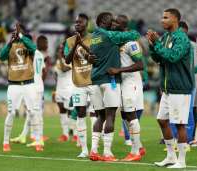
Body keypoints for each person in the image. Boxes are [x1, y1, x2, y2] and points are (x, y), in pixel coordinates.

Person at [88, 12, 140, 162]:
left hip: (95, 80)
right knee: (110, 116)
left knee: (100, 117)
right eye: (111, 19)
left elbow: (92, 57)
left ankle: (93, 151)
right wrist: (128, 29)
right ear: (104, 20)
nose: (113, 22)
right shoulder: (110, 35)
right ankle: (107, 153)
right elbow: (134, 34)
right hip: (109, 80)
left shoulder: (94, 38)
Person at [146, 9, 194, 168]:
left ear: (175, 19)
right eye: (162, 17)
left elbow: (173, 57)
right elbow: (159, 58)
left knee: (180, 124)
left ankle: (182, 161)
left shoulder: (182, 38)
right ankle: (171, 156)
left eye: (165, 17)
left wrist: (158, 44)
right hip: (168, 88)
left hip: (180, 87)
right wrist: (153, 45)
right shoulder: (166, 37)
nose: (162, 20)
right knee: (162, 120)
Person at [107, 14, 145, 161]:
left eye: (116, 22)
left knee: (130, 115)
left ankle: (134, 152)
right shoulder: (117, 41)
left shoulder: (131, 43)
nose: (113, 24)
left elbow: (140, 64)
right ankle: (139, 147)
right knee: (125, 116)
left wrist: (119, 71)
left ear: (124, 26)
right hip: (122, 83)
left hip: (131, 83)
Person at [0, 23, 42, 152]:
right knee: (11, 113)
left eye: (18, 31)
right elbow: (1, 57)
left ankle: (37, 141)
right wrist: (9, 42)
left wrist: (22, 36)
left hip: (29, 84)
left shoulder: (27, 42)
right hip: (14, 85)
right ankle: (6, 142)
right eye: (14, 31)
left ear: (22, 32)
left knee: (33, 112)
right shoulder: (10, 45)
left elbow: (34, 48)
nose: (15, 32)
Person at [64, 13, 97, 158]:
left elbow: (98, 58)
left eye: (80, 22)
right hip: (78, 83)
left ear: (87, 23)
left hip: (94, 82)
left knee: (97, 115)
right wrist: (76, 44)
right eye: (76, 22)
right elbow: (67, 60)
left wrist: (82, 44)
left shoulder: (94, 38)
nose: (77, 24)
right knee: (81, 115)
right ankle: (84, 149)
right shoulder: (69, 41)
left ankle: (95, 148)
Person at [10, 35, 48, 147]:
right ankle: (24, 135)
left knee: (35, 113)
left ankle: (39, 139)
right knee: (32, 112)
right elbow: (43, 71)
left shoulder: (29, 53)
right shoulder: (40, 54)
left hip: (32, 86)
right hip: (38, 85)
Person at [53, 42, 75, 143]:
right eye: (60, 49)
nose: (60, 50)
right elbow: (56, 76)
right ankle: (65, 134)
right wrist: (55, 90)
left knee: (71, 112)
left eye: (62, 49)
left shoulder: (69, 60)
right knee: (62, 111)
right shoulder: (57, 61)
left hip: (68, 89)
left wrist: (60, 59)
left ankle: (75, 133)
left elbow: (64, 69)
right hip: (59, 90)